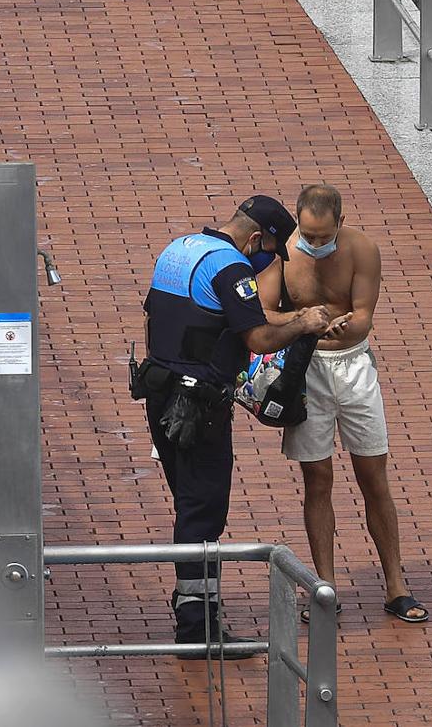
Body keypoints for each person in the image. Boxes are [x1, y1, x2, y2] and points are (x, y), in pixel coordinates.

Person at [140, 196, 336, 657]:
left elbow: (196, 316)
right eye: (268, 249)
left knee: (189, 501)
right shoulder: (232, 268)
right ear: (255, 238)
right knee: (203, 510)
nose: (266, 259)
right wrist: (303, 324)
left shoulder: (179, 248)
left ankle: (195, 613)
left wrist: (296, 320)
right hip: (199, 406)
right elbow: (258, 337)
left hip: (160, 394)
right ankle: (197, 627)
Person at [257, 184, 429, 623]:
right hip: (305, 367)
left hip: (352, 366)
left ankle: (396, 585)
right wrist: (302, 321)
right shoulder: (284, 254)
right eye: (307, 236)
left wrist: (343, 326)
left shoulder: (361, 250)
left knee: (374, 474)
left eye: (322, 236)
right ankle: (323, 587)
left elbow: (364, 313)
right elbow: (262, 312)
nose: (314, 245)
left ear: (341, 221)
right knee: (317, 477)